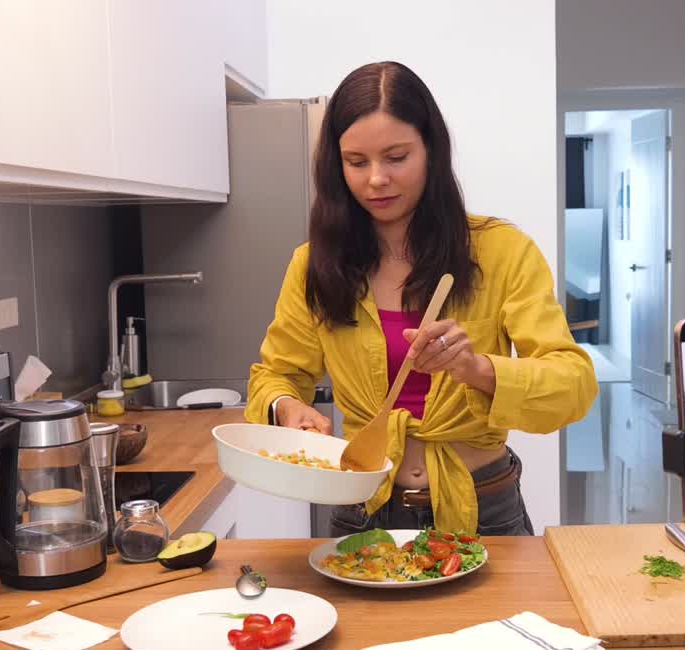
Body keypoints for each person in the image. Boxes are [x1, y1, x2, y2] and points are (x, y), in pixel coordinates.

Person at [246, 61, 597, 536]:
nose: (376, 179)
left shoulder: (502, 251)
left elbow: (573, 386)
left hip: (484, 508)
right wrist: (289, 408)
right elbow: (277, 374)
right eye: (357, 162)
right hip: (363, 509)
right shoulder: (315, 264)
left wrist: (477, 368)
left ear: (431, 150)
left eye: (396, 157)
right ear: (336, 164)